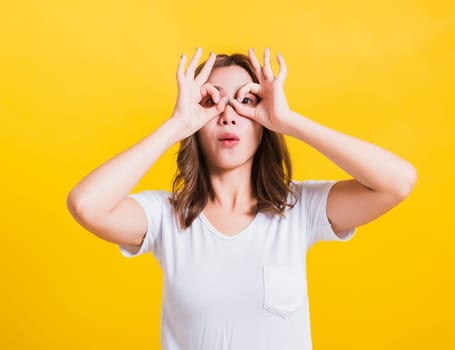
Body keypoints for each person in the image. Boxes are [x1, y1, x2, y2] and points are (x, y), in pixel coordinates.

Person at [66, 47, 417, 350]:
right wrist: (176, 124)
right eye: (211, 101)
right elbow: (86, 204)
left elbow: (398, 182)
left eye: (246, 101)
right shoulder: (166, 217)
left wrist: (288, 121)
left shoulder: (298, 210)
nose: (229, 114)